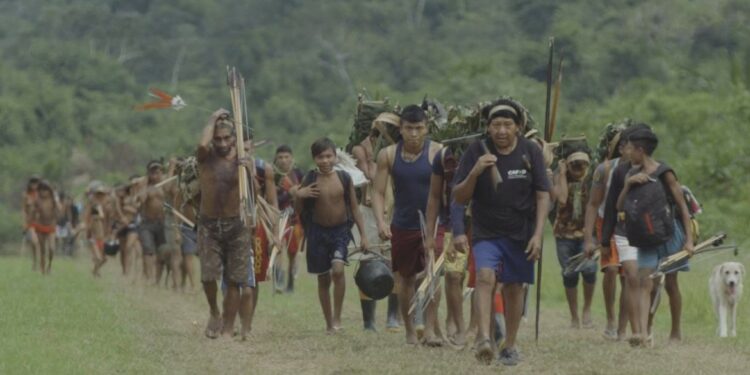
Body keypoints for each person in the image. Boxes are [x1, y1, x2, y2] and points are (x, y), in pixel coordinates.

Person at [453, 99, 550, 366]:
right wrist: (475, 171)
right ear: (488, 127)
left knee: (514, 287)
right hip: (486, 230)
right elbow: (459, 196)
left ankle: (510, 344)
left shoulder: (530, 151)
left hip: (521, 231)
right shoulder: (476, 151)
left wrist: (539, 234)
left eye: (508, 125)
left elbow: (543, 195)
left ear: (518, 127)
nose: (502, 130)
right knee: (484, 278)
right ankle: (484, 338)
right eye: (496, 125)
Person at [615, 125, 694, 347]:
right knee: (645, 282)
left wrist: (688, 240)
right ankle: (641, 333)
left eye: (629, 148)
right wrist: (628, 185)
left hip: (669, 234)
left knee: (670, 283)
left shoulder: (665, 173)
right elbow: (619, 206)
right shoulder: (630, 173)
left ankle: (676, 330)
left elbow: (682, 207)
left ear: (640, 150)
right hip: (645, 238)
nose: (626, 152)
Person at [372, 105, 444, 345]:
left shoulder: (438, 153)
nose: (414, 134)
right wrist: (381, 221)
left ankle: (431, 330)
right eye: (409, 128)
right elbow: (378, 192)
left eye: (419, 128)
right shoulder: (388, 155)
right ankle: (411, 330)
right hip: (402, 224)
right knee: (405, 279)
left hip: (433, 225)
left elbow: (449, 191)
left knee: (434, 276)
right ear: (400, 129)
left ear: (426, 128)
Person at [295, 137, 368, 333]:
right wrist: (299, 196)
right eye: (321, 157)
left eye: (329, 156)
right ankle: (329, 323)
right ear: (314, 159)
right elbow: (299, 209)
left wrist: (363, 236)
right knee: (323, 279)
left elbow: (354, 207)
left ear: (336, 156)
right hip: (318, 232)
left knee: (337, 270)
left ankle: (337, 317)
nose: (325, 161)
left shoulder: (344, 178)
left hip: (340, 231)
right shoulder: (310, 179)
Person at [196, 109, 254, 339]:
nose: (221, 142)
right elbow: (201, 145)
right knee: (208, 276)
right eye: (217, 138)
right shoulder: (206, 157)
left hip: (236, 225)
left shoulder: (242, 161)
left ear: (234, 138)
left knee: (235, 279)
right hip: (209, 224)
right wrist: (212, 119)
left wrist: (249, 173)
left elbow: (253, 196)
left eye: (226, 138)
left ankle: (229, 328)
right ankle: (214, 312)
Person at [351, 112, 402, 332]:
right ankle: (368, 321)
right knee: (367, 262)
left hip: (394, 210)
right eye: (383, 129)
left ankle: (393, 317)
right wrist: (373, 155)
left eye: (390, 129)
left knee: (395, 265)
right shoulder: (360, 149)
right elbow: (370, 175)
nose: (386, 133)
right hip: (369, 213)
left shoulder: (398, 151)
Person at [583, 122, 631, 340]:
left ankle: (622, 326)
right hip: (607, 223)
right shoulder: (604, 170)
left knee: (629, 276)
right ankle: (611, 319)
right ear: (620, 148)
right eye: (629, 146)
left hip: (632, 226)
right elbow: (593, 204)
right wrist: (588, 239)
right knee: (611, 270)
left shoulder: (648, 168)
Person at [424, 146, 469, 348]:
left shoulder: (489, 149)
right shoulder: (444, 156)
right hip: (450, 223)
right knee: (453, 275)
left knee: (479, 277)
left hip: (483, 225)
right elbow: (434, 196)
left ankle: (478, 328)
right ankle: (457, 325)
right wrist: (429, 232)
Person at [551, 150, 596, 329]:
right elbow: (561, 199)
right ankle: (574, 316)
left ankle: (587, 309)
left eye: (582, 164)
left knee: (590, 270)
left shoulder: (592, 180)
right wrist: (562, 173)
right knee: (569, 274)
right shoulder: (560, 177)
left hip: (587, 233)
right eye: (574, 164)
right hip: (564, 234)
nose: (578, 168)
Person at [273, 144, 304, 293]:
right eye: (280, 157)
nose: (283, 160)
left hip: (295, 218)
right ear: (276, 159)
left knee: (292, 252)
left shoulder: (298, 174)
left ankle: (290, 283)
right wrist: (289, 193)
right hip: (278, 216)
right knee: (277, 249)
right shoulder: (272, 175)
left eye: (286, 157)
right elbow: (271, 198)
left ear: (292, 158)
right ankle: (278, 281)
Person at [84, 183, 116, 277]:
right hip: (93, 236)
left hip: (103, 236)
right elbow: (86, 218)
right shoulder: (92, 206)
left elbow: (109, 221)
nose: (100, 196)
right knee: (98, 258)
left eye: (102, 194)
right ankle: (95, 272)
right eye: (98, 194)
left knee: (104, 259)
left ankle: (95, 271)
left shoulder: (107, 207)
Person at [33, 181, 62, 275]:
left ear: (49, 191)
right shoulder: (37, 200)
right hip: (40, 225)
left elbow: (60, 210)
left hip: (51, 226)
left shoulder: (53, 199)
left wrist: (56, 201)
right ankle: (42, 269)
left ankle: (49, 265)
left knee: (51, 248)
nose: (43, 192)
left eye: (45, 190)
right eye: (41, 190)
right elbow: (33, 211)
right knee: (42, 249)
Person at [22, 176, 41, 271]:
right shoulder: (26, 195)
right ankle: (35, 261)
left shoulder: (41, 194)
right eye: (33, 183)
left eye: (36, 183)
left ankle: (39, 262)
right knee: (34, 242)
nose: (34, 185)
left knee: (39, 243)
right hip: (31, 222)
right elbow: (24, 210)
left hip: (41, 221)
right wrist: (24, 222)